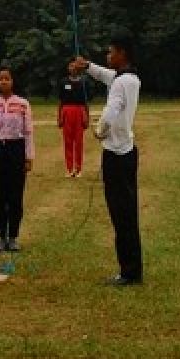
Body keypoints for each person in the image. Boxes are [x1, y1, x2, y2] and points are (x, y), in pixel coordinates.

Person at [72, 31, 142, 287]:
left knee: (121, 215)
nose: (108, 55)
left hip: (116, 155)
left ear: (122, 53)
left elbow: (111, 111)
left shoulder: (121, 83)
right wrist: (87, 66)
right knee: (127, 214)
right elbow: (104, 76)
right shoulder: (130, 78)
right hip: (128, 153)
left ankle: (129, 272)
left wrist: (99, 130)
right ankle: (132, 268)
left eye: (111, 51)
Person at [0, 66, 35, 252]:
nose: (3, 81)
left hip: (16, 149)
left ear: (13, 81)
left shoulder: (23, 104)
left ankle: (13, 236)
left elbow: (28, 132)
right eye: (0, 78)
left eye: (7, 78)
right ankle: (0, 236)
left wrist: (29, 157)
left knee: (15, 195)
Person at [57, 58, 91, 177]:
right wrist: (59, 116)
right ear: (68, 68)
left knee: (78, 141)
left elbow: (86, 101)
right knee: (68, 141)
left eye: (74, 66)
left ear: (78, 67)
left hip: (79, 110)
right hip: (67, 111)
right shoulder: (63, 82)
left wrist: (87, 116)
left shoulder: (84, 81)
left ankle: (78, 168)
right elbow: (60, 101)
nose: (72, 68)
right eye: (70, 66)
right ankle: (70, 168)